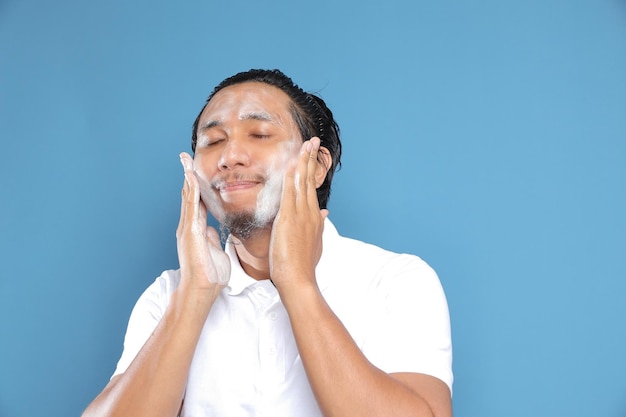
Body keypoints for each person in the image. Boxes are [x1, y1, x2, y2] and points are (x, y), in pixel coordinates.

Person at [82, 69, 453, 417]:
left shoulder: (396, 280)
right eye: (212, 141)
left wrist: (297, 282)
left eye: (259, 134)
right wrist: (194, 295)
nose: (230, 157)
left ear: (318, 165)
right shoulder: (169, 296)